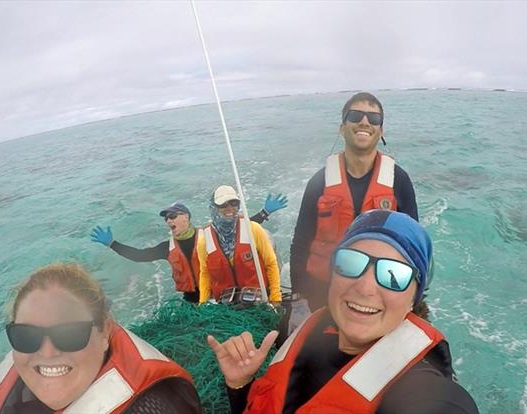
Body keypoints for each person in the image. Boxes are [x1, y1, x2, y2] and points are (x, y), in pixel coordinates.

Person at [207, 210, 479, 414]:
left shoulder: (422, 391)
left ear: (414, 298)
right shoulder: (312, 335)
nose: (365, 286)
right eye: (351, 262)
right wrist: (240, 386)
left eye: (393, 274)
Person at [0, 263, 202, 414]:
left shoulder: (154, 406)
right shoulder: (13, 375)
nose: (46, 352)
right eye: (26, 335)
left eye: (69, 333)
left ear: (104, 332)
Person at [290, 91, 419, 312]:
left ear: (381, 131)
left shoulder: (399, 181)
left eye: (374, 118)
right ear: (342, 128)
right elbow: (301, 242)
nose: (365, 122)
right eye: (355, 116)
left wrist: (413, 301)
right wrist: (299, 294)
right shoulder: (319, 182)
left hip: (375, 295)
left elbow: (413, 249)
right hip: (323, 292)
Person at [90, 193, 288, 303]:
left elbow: (240, 227)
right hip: (191, 301)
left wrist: (264, 212)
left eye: (173, 215)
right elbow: (140, 256)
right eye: (167, 218)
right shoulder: (166, 247)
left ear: (186, 217)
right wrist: (112, 244)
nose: (169, 220)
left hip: (215, 297)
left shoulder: (207, 235)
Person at [197, 185, 282, 306]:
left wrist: (275, 298)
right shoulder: (204, 240)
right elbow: (205, 274)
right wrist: (202, 304)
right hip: (225, 307)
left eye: (234, 203)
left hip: (258, 301)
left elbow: (271, 263)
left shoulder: (253, 229)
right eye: (223, 205)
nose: (230, 208)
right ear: (214, 208)